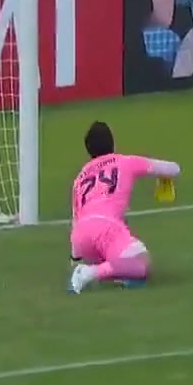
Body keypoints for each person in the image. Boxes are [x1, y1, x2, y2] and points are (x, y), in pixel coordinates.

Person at [67, 121, 180, 294]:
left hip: (81, 237)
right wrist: (164, 177)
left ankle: (101, 270)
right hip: (106, 229)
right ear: (112, 143)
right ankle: (89, 273)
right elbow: (173, 169)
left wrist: (75, 259)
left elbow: (76, 219)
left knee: (122, 260)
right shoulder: (125, 162)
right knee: (141, 262)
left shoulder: (80, 177)